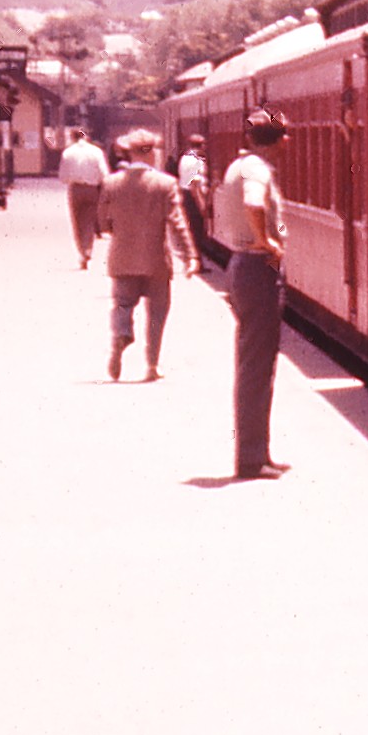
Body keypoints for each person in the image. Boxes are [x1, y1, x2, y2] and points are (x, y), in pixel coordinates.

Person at [213, 108, 292, 479]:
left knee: (256, 365)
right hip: (257, 268)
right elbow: (253, 203)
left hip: (245, 266)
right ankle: (251, 459)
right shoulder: (257, 170)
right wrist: (267, 241)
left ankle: (258, 452)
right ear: (281, 140)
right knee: (257, 367)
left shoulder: (238, 165)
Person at [99, 129, 199, 381]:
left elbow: (102, 222)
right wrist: (190, 256)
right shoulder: (165, 183)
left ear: (130, 153)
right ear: (152, 152)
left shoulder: (111, 182)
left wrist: (118, 230)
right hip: (155, 260)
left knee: (123, 305)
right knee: (157, 314)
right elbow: (178, 223)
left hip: (122, 257)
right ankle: (152, 365)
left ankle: (121, 335)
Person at [58, 126, 111, 267]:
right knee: (89, 220)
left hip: (75, 188)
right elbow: (104, 173)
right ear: (86, 136)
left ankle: (82, 251)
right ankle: (88, 248)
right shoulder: (96, 152)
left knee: (77, 221)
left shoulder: (68, 153)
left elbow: (63, 176)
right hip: (92, 189)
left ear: (72, 137)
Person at [176, 140, 211, 256]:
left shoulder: (184, 159)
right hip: (194, 197)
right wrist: (202, 205)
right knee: (197, 230)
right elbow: (195, 185)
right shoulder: (196, 161)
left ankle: (190, 254)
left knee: (191, 228)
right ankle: (197, 258)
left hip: (185, 195)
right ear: (201, 146)